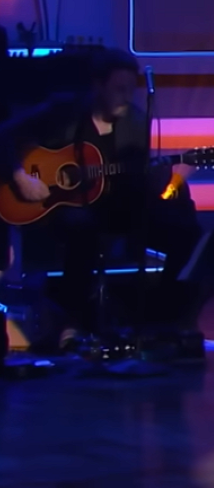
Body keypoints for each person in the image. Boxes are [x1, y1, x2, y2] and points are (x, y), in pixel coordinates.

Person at [0, 47, 203, 349]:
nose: (126, 96)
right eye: (118, 88)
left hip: (114, 204)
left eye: (130, 89)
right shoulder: (63, 111)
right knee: (83, 226)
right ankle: (71, 321)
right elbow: (4, 134)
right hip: (52, 205)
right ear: (97, 86)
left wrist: (158, 183)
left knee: (185, 227)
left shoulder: (135, 123)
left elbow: (135, 184)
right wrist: (20, 176)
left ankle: (160, 312)